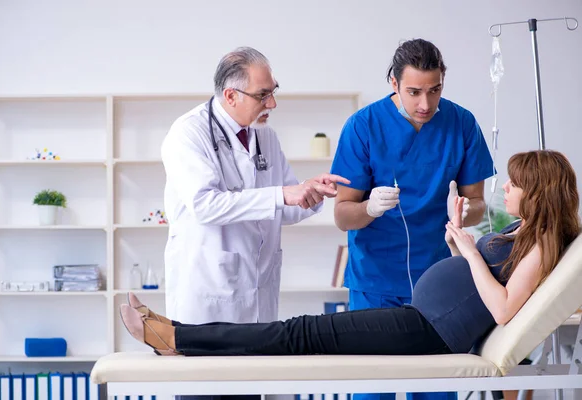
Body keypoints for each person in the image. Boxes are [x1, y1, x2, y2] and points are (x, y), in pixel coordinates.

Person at [122, 151, 579, 365]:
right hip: (421, 317)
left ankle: (176, 337)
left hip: (430, 331)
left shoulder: (542, 244)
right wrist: (458, 240)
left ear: (539, 191)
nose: (505, 189)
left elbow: (501, 307)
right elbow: (478, 282)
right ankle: (177, 336)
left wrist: (465, 243)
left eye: (516, 185)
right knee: (298, 332)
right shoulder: (521, 231)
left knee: (299, 333)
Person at [160, 47, 349, 400]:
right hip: (208, 296)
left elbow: (284, 207)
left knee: (247, 393)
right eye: (263, 95)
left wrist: (311, 194)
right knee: (204, 395)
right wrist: (283, 195)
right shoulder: (188, 134)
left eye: (274, 91)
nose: (272, 103)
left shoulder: (266, 137)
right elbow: (205, 205)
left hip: (257, 299)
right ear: (230, 95)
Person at [330, 39, 495, 400]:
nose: (425, 104)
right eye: (414, 92)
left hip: (437, 281)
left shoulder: (461, 124)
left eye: (434, 90)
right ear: (394, 83)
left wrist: (467, 210)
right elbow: (343, 214)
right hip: (374, 280)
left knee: (436, 389)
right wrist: (369, 208)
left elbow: (479, 202)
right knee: (373, 389)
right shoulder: (363, 126)